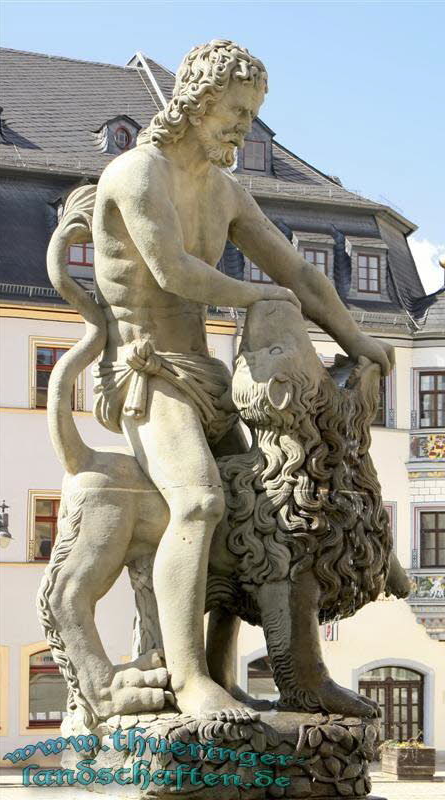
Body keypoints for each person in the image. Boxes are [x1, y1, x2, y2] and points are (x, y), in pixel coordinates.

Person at [92, 39, 394, 720]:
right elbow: (172, 271)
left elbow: (301, 273)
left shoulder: (225, 190)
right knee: (199, 504)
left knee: (263, 513)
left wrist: (355, 337)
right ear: (197, 105)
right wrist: (258, 301)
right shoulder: (137, 174)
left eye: (251, 115)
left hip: (205, 377)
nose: (242, 128)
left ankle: (288, 677)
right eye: (234, 112)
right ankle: (187, 676)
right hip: (148, 375)